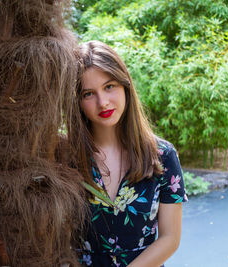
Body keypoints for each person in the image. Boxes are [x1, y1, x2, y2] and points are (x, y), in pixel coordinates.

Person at [72, 40, 188, 267]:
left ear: (125, 86)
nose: (102, 102)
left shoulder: (162, 155)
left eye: (109, 87)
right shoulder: (65, 158)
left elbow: (170, 239)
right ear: (77, 100)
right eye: (88, 93)